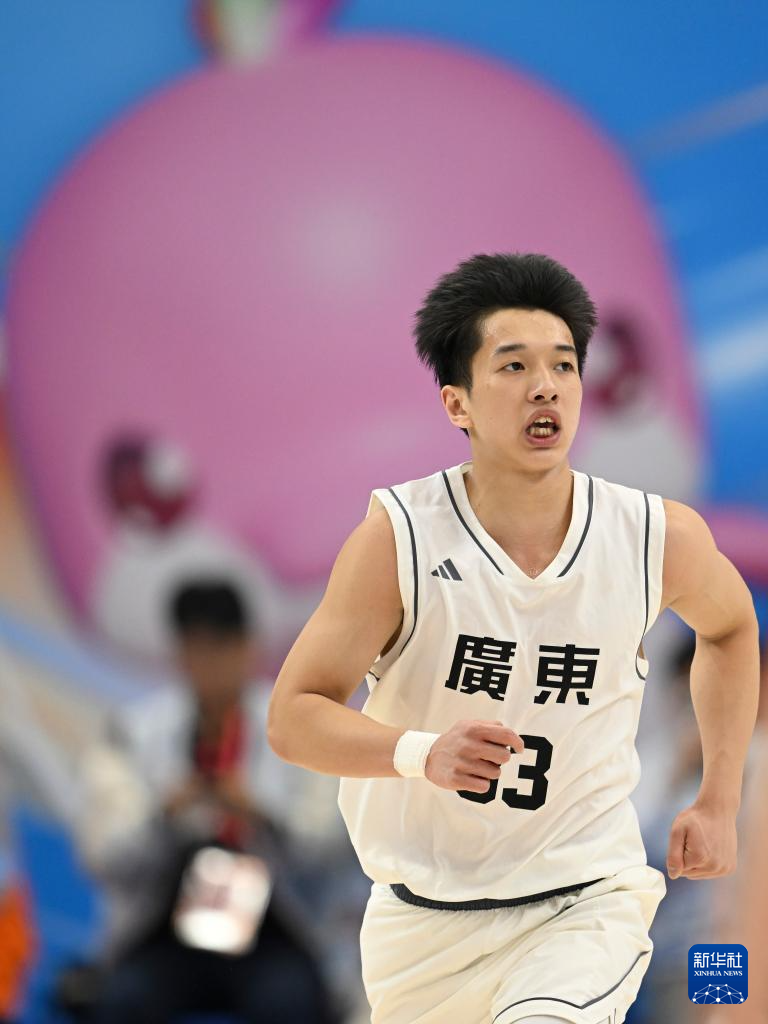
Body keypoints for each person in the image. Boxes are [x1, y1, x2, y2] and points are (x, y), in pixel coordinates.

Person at [267, 253, 760, 1024]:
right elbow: (292, 718)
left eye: (563, 365)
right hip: (422, 923)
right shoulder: (398, 539)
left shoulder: (654, 535)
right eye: (514, 366)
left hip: (584, 902)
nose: (546, 386)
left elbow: (730, 626)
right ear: (456, 403)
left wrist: (720, 800)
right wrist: (421, 753)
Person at [82, 579, 339, 1024]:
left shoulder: (298, 727)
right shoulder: (135, 731)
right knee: (123, 1002)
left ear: (248, 648)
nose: (209, 664)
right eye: (197, 649)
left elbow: (330, 849)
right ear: (179, 653)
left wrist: (259, 815)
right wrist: (165, 816)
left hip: (275, 929)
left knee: (291, 1005)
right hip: (164, 928)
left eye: (221, 647)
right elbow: (103, 855)